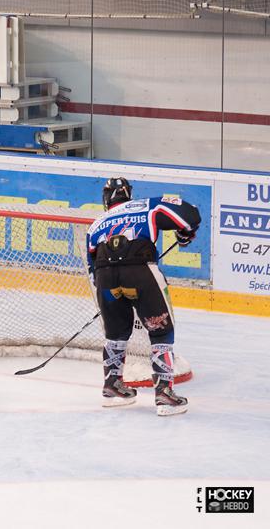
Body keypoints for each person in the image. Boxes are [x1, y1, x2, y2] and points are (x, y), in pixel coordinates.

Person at [86, 177, 201, 416]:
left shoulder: (95, 224)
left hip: (106, 279)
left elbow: (92, 268)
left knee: (116, 334)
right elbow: (190, 214)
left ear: (106, 198)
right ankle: (164, 395)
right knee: (161, 331)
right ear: (128, 194)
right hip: (140, 272)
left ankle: (112, 388)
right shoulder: (147, 205)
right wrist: (185, 234)